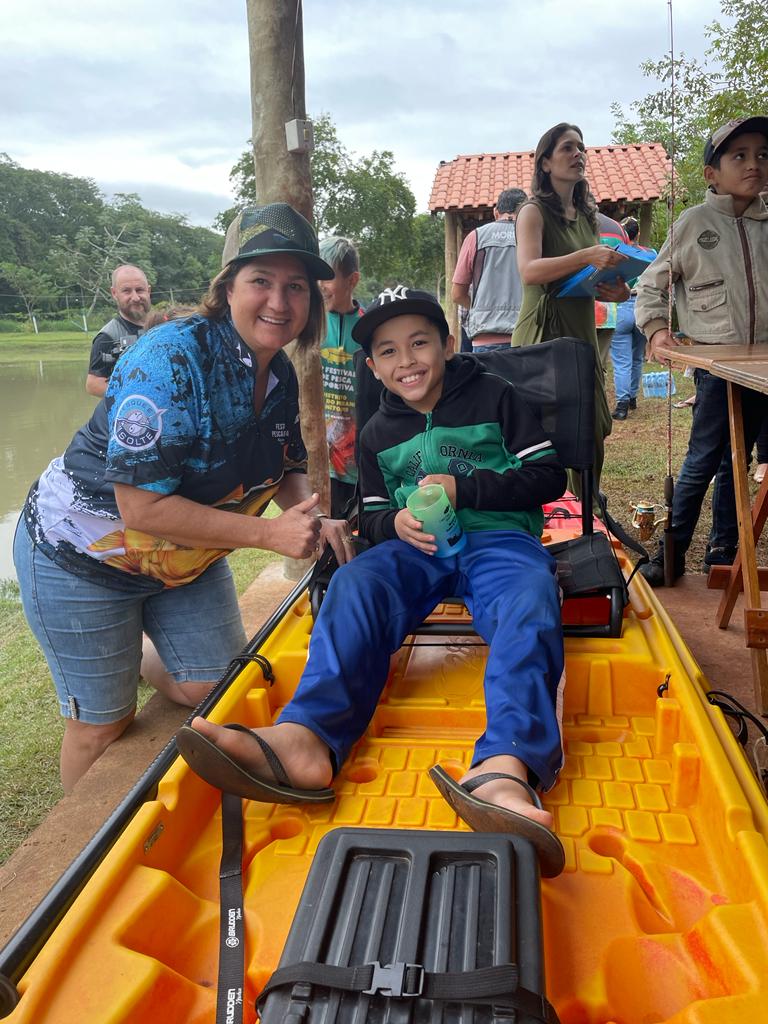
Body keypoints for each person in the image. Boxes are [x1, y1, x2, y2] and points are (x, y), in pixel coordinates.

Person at [177, 286, 568, 876]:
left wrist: (470, 490)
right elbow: (373, 514)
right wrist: (397, 522)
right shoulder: (379, 431)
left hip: (498, 540)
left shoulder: (496, 396)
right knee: (356, 581)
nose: (405, 361)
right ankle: (308, 739)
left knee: (531, 594)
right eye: (387, 352)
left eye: (419, 343)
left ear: (448, 344)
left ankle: (506, 767)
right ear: (371, 366)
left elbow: (547, 477)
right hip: (420, 549)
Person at [13, 203, 352, 792]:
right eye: (261, 282)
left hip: (181, 561)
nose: (279, 301)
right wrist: (271, 535)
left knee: (212, 687)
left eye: (295, 285)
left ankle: (142, 649)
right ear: (227, 288)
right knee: (103, 723)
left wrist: (315, 519)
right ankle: (81, 869)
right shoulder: (170, 358)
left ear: (313, 301)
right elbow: (140, 508)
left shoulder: (279, 372)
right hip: (82, 558)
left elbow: (287, 465)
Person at [636, 117, 768, 586]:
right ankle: (668, 552)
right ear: (711, 173)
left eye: (762, 155)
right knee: (704, 459)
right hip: (716, 368)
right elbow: (651, 285)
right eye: (739, 156)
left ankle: (724, 549)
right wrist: (655, 331)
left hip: (765, 371)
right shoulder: (694, 223)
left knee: (745, 460)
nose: (754, 164)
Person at [512, 122, 630, 497]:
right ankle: (543, 516)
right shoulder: (531, 212)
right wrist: (587, 255)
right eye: (567, 147)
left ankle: (589, 514)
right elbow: (530, 271)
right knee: (541, 434)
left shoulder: (587, 217)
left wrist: (613, 290)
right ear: (545, 163)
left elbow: (579, 278)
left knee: (591, 429)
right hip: (542, 334)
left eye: (581, 147)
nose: (578, 154)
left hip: (581, 331)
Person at [318, 237, 364, 518]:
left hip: (359, 457)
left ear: (352, 280)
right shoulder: (309, 327)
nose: (320, 285)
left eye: (328, 277)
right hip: (322, 458)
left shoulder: (369, 329)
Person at [451, 188, 527, 351]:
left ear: (495, 212)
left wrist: (480, 308)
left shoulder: (476, 236)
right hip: (526, 334)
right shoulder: (534, 237)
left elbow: (457, 294)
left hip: (485, 339)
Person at [610, 216, 658, 420]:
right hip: (644, 307)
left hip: (621, 307)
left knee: (621, 360)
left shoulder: (617, 254)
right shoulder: (651, 254)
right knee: (637, 356)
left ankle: (622, 404)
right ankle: (632, 397)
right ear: (638, 234)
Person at [85, 265, 152, 397]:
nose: (135, 297)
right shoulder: (108, 336)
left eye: (140, 290)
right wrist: (139, 394)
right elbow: (93, 384)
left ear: (149, 291)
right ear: (114, 293)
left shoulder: (164, 326)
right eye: (127, 291)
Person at [594, 212, 630, 373]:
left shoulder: (576, 225)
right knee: (599, 366)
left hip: (581, 307)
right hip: (609, 308)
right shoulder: (618, 228)